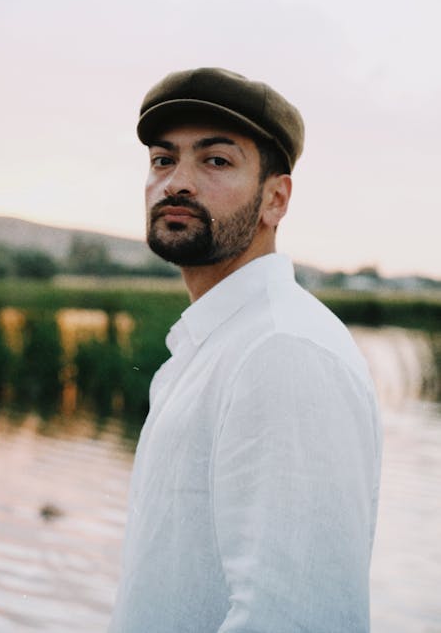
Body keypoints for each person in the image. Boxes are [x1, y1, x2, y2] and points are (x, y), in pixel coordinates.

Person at [109, 67, 382, 633]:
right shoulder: (216, 344)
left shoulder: (283, 350)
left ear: (275, 199)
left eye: (215, 160)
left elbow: (296, 616)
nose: (176, 183)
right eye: (164, 159)